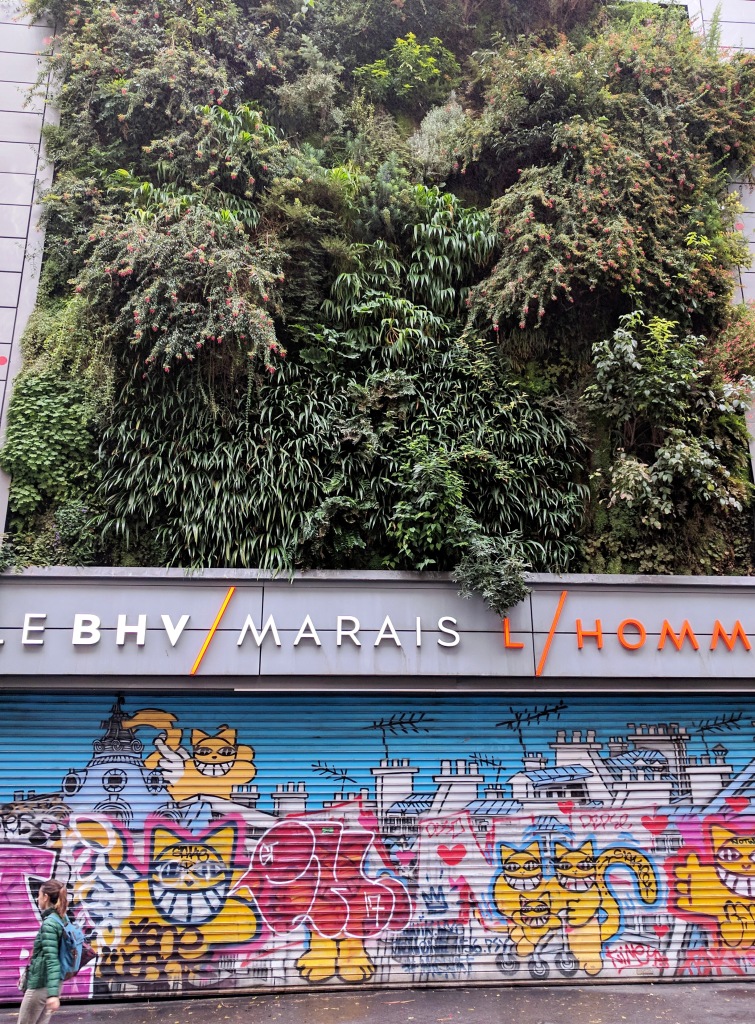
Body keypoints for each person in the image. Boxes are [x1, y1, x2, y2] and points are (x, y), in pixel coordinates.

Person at [17, 879, 68, 1024]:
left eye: (39, 895)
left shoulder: (50, 924)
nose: (37, 898)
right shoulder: (62, 918)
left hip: (41, 986)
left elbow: (52, 960)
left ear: (45, 897)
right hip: (54, 983)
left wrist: (52, 995)